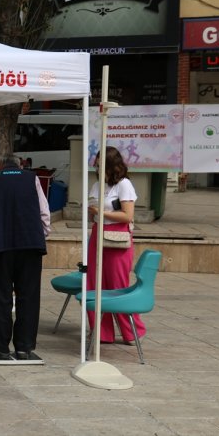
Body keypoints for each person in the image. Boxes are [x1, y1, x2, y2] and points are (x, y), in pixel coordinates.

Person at [0, 153, 51, 363]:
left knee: (0, 298)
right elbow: (44, 213)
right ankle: (24, 348)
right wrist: (40, 235)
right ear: (20, 165)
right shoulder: (32, 178)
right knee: (29, 297)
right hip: (30, 245)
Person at [87, 146, 144, 345]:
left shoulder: (124, 185)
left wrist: (101, 212)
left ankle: (131, 331)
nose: (96, 166)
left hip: (117, 236)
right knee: (94, 283)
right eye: (96, 163)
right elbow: (92, 213)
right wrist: (90, 211)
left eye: (100, 163)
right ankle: (101, 332)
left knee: (117, 284)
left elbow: (127, 215)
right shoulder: (97, 185)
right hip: (97, 233)